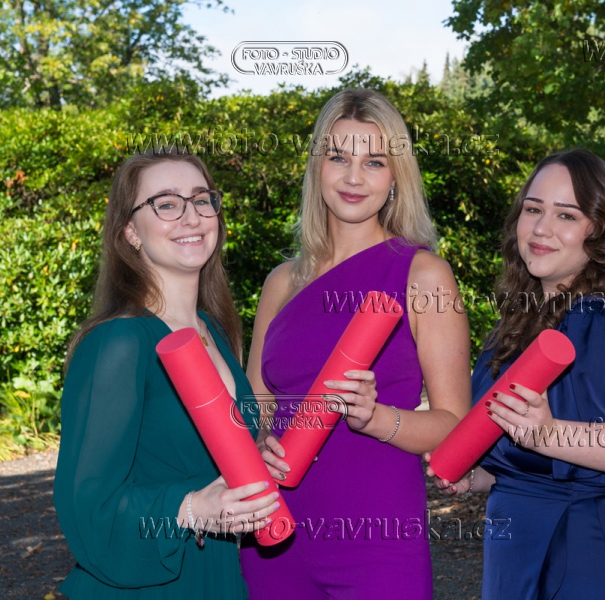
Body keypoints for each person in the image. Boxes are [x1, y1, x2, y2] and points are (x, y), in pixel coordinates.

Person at [426, 148, 605, 599]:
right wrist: (479, 476)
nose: (541, 228)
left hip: (586, 549)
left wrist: (549, 434)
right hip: (518, 547)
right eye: (533, 209)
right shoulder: (513, 327)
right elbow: (527, 460)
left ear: (599, 232)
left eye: (566, 215)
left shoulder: (601, 318)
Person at [239, 89, 471, 599]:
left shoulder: (423, 275)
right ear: (316, 167)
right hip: (275, 532)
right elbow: (255, 407)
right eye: (338, 157)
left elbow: (454, 424)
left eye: (374, 162)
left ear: (396, 177)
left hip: (379, 538)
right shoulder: (281, 282)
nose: (353, 177)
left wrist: (376, 417)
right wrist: (257, 442)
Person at [53, 149, 279, 598]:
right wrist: (190, 508)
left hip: (215, 576)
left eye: (201, 199)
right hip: (145, 586)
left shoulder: (215, 331)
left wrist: (257, 456)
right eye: (167, 204)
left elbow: (193, 455)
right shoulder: (119, 342)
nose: (191, 216)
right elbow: (87, 506)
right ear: (130, 232)